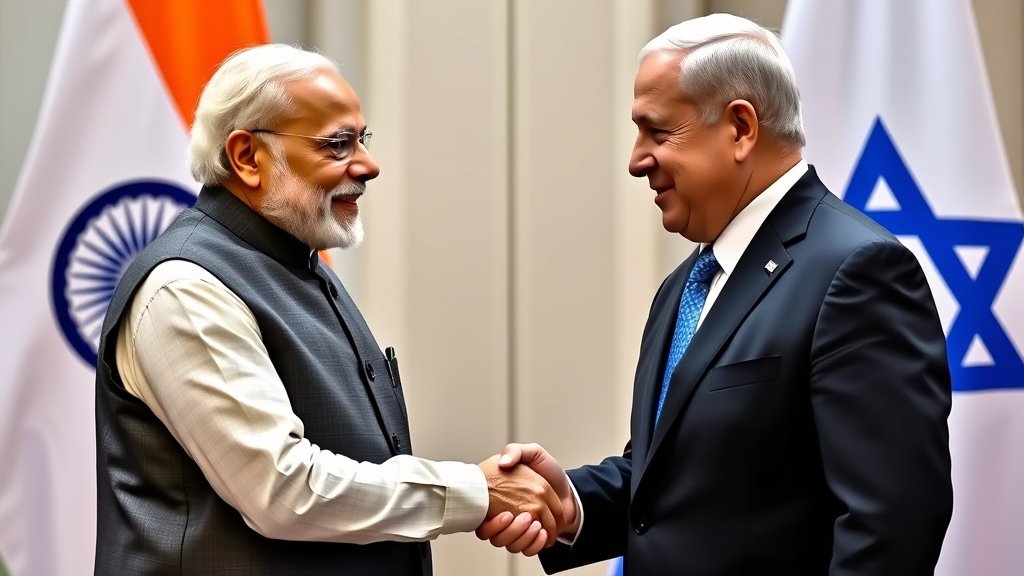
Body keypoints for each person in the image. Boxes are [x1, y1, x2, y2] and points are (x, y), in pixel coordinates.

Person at [478, 13, 953, 575]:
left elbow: (890, 528)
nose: (635, 161)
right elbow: (676, 480)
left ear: (740, 128)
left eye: (658, 132)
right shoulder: (686, 285)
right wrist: (571, 503)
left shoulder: (857, 272)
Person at [93, 44, 560, 575]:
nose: (369, 165)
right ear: (247, 157)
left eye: (362, 139)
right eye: (337, 144)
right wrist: (478, 491)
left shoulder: (298, 263)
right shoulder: (185, 288)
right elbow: (283, 491)